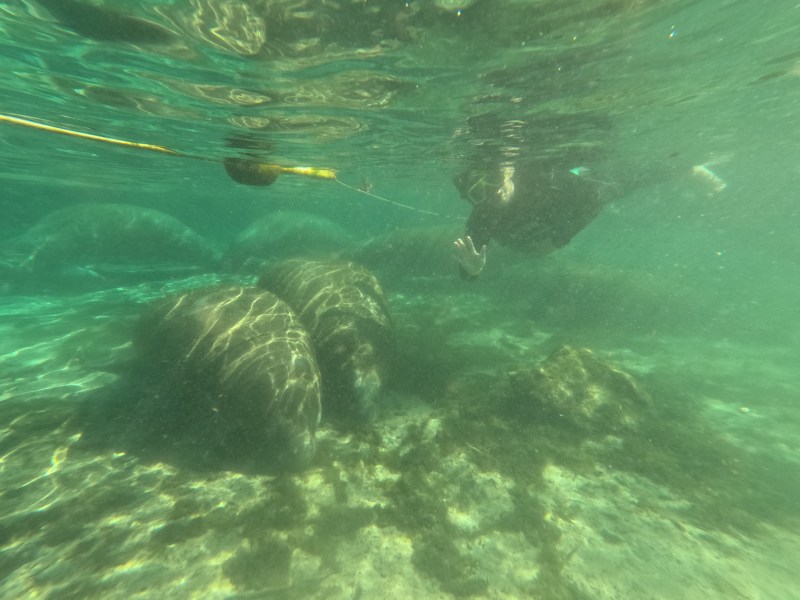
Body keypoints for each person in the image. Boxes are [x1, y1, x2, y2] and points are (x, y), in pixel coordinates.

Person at [452, 161, 610, 279]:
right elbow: (467, 270)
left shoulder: (538, 176)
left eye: (494, 179)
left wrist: (559, 239)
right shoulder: (481, 218)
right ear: (471, 200)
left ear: (507, 173)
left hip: (553, 224)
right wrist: (473, 271)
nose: (495, 191)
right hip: (526, 243)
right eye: (478, 191)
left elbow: (594, 199)